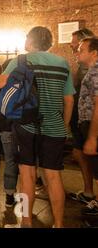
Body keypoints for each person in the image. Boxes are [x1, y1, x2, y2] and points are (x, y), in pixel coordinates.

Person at [0, 26, 75, 228]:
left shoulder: (21, 60)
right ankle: (58, 224)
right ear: (49, 43)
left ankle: (26, 222)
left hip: (26, 125)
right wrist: (64, 125)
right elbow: (68, 100)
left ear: (30, 41)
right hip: (55, 126)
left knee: (27, 174)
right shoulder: (62, 63)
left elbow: (0, 84)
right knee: (53, 176)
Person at [68, 28, 97, 204]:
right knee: (81, 155)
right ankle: (89, 193)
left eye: (78, 45)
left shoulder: (94, 70)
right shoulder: (84, 65)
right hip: (82, 119)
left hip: (91, 120)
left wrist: (92, 137)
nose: (73, 46)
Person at [0, 59, 18, 207]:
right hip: (24, 127)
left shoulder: (0, 85)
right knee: (27, 163)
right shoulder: (25, 82)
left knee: (10, 161)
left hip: (5, 127)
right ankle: (27, 195)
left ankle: (10, 195)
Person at [76, 37, 98, 218]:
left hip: (93, 125)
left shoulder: (96, 72)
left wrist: (92, 137)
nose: (77, 51)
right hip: (88, 123)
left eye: (82, 49)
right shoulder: (91, 71)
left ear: (94, 53)